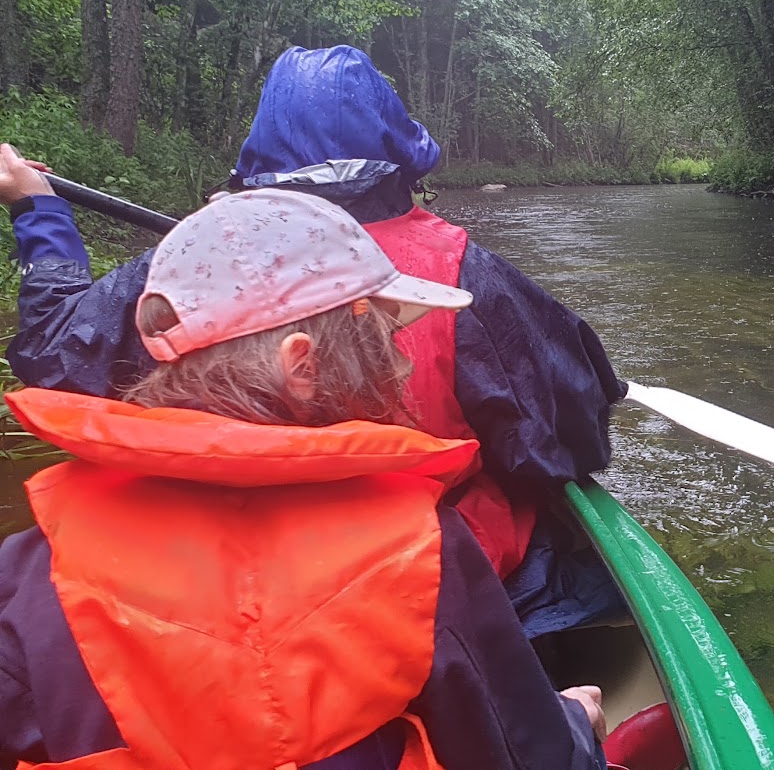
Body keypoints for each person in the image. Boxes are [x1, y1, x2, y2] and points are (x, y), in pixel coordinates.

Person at [5, 45, 624, 637]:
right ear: (400, 148)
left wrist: (38, 210)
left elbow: (54, 356)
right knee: (576, 568)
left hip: (215, 580)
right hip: (423, 569)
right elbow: (562, 445)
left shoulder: (187, 268)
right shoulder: (470, 276)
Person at [0, 173, 608, 769]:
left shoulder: (32, 563)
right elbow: (524, 752)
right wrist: (578, 724)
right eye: (387, 337)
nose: (399, 368)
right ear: (302, 364)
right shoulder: (423, 550)